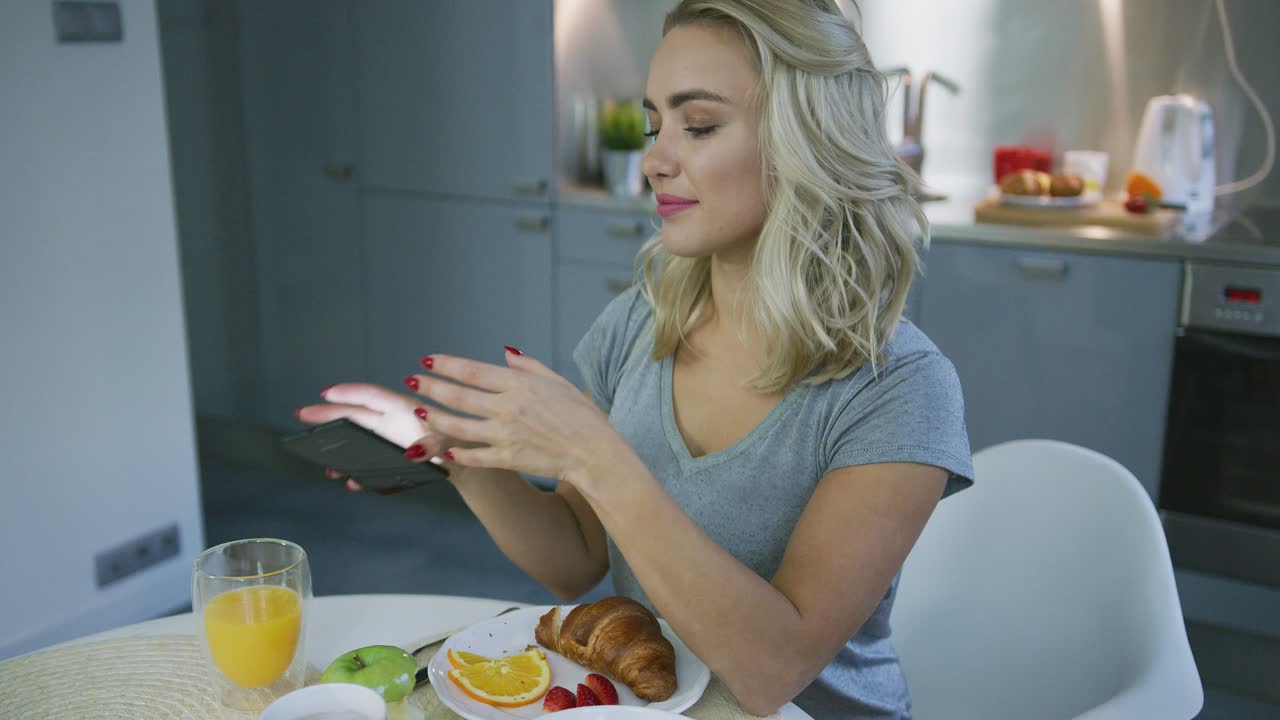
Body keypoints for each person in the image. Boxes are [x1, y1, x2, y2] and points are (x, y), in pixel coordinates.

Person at [298, 1, 971, 717]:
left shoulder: (899, 387)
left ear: (806, 140)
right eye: (655, 125)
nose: (655, 160)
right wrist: (460, 458)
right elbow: (576, 558)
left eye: (700, 126)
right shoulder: (643, 322)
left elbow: (776, 671)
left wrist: (595, 454)